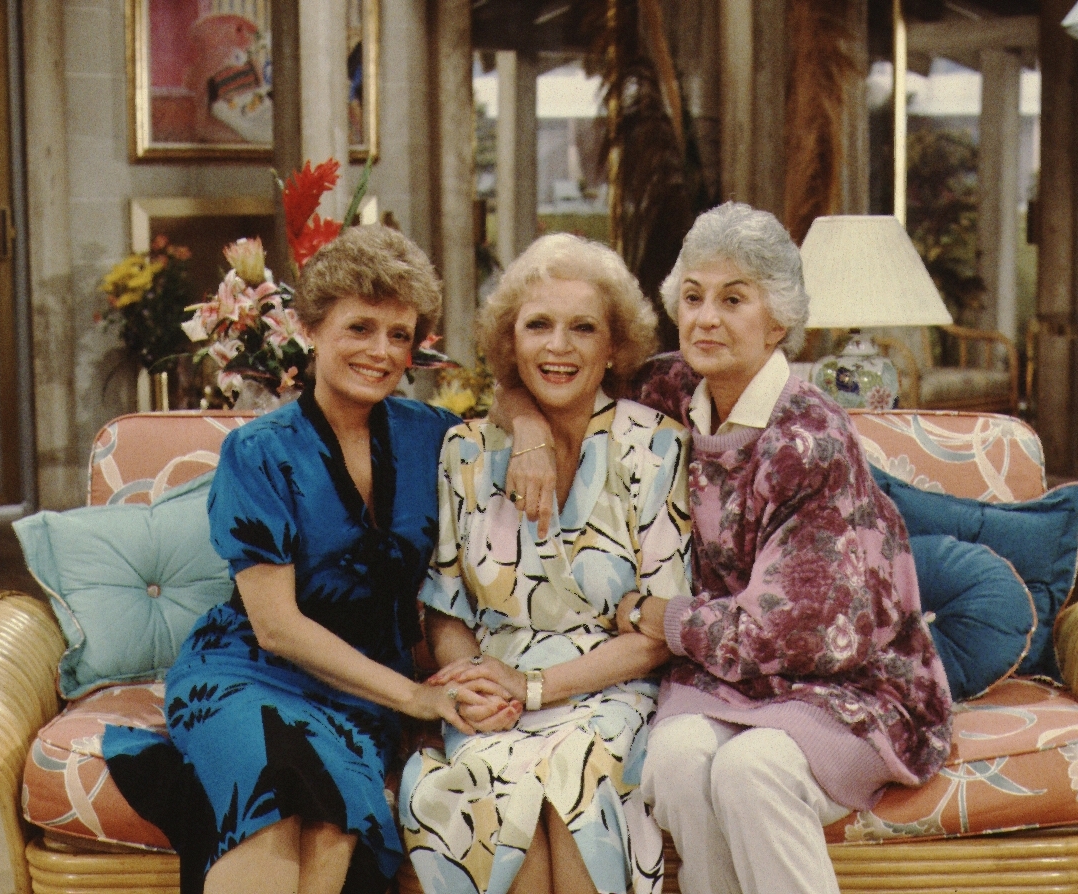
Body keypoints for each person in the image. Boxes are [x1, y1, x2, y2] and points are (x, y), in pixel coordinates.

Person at [501, 203, 954, 894]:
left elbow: (792, 635)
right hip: (726, 679)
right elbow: (546, 375)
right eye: (693, 296)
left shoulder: (810, 438)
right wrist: (529, 427)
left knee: (755, 770)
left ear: (778, 321)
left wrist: (664, 618)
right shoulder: (672, 388)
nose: (706, 318)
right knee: (676, 757)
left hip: (844, 680)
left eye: (733, 299)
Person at [105, 225, 499, 894]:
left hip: (358, 691)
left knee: (331, 825)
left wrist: (539, 434)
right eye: (360, 328)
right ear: (312, 328)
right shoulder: (258, 451)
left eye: (399, 335)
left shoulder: (434, 435)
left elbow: (526, 398)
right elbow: (277, 627)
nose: (380, 351)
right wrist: (412, 695)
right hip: (250, 672)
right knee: (279, 790)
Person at [397, 233, 694, 894]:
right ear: (511, 343)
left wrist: (533, 689)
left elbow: (655, 636)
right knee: (497, 794)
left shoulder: (656, 447)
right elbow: (447, 606)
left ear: (613, 346)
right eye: (539, 326)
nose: (559, 346)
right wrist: (472, 684)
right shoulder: (466, 450)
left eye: (582, 328)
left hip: (610, 691)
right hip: (495, 695)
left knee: (574, 777)